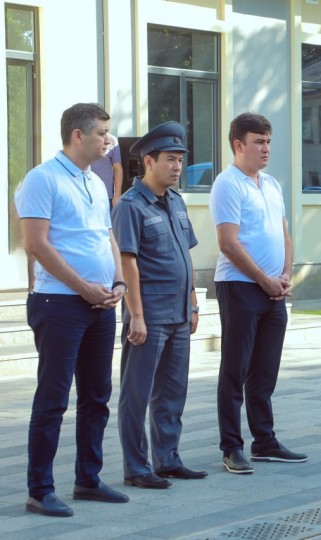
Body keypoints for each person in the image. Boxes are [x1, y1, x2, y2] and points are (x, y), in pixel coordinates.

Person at [14, 102, 130, 517]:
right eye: (102, 133)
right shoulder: (41, 179)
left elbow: (107, 238)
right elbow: (36, 244)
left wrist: (117, 282)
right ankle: (39, 489)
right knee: (53, 398)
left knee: (97, 395)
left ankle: (88, 479)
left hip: (101, 303)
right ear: (77, 135)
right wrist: (83, 288)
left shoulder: (95, 182)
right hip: (59, 303)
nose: (109, 141)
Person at [112, 121, 208, 489]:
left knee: (172, 392)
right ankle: (136, 468)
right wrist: (135, 315)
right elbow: (127, 262)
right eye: (170, 160)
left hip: (180, 315)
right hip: (148, 315)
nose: (177, 167)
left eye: (181, 160)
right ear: (149, 162)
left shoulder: (177, 203)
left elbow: (186, 257)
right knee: (137, 394)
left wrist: (194, 304)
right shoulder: (130, 206)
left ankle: (167, 460)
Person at [210, 112, 306, 474]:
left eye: (268, 141)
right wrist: (264, 280)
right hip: (240, 287)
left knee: (265, 371)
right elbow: (228, 243)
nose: (266, 148)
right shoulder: (227, 184)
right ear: (239, 145)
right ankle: (231, 446)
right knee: (235, 369)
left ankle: (264, 440)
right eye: (258, 142)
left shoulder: (271, 184)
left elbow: (284, 234)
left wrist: (284, 274)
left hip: (272, 290)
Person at [91, 132, 123, 207]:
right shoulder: (82, 138)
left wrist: (117, 194)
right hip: (86, 195)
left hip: (107, 196)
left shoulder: (112, 140)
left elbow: (117, 168)